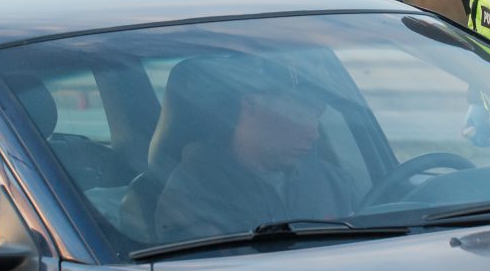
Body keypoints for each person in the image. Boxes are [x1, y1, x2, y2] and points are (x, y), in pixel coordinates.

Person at [154, 55, 359, 242]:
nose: (314, 134)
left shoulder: (336, 184)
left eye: (316, 117)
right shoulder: (192, 195)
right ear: (250, 106)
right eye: (298, 116)